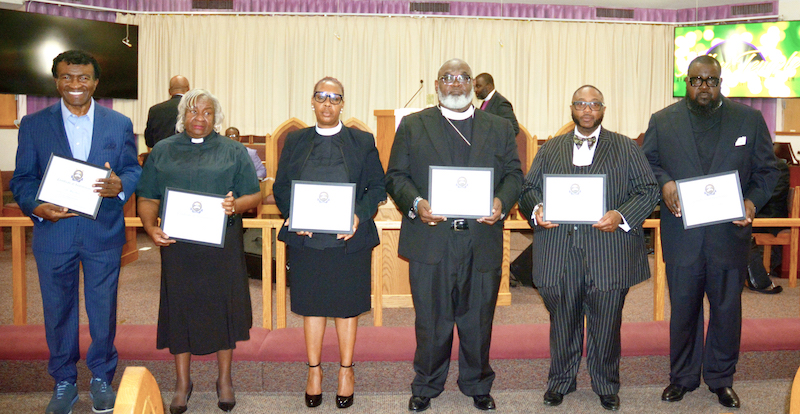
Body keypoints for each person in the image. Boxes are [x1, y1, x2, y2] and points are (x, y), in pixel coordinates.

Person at [385, 59, 523, 412]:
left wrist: (501, 201)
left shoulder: (499, 127)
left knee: (479, 317)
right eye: (449, 78)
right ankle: (426, 384)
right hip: (431, 237)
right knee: (431, 318)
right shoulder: (414, 125)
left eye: (463, 77)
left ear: (473, 83)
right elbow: (396, 176)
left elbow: (514, 175)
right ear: (437, 84)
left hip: (481, 235)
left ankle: (477, 382)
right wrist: (416, 203)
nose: (456, 84)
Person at [642, 55, 779, 409]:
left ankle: (721, 378)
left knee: (726, 310)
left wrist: (751, 203)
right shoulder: (663, 120)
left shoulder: (748, 119)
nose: (704, 87)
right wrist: (665, 183)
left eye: (711, 81)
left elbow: (768, 171)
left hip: (728, 235)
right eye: (696, 80)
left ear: (721, 82)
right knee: (684, 311)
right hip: (682, 235)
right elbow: (648, 164)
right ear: (685, 82)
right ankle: (683, 378)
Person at [10, 50, 142, 414]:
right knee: (57, 309)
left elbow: (132, 170)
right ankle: (64, 380)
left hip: (103, 232)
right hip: (55, 233)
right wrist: (36, 206)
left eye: (83, 77)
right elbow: (23, 179)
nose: (75, 84)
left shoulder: (118, 123)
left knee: (103, 309)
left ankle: (101, 376)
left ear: (95, 82)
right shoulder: (34, 124)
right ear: (56, 81)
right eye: (67, 77)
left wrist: (121, 185)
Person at [518, 85, 659, 411]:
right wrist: (537, 209)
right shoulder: (550, 149)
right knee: (563, 320)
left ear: (603, 109)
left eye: (593, 104)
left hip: (608, 252)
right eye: (581, 103)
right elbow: (529, 189)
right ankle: (560, 382)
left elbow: (649, 190)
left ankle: (606, 384)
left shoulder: (625, 147)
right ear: (572, 108)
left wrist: (621, 215)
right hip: (560, 252)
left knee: (606, 323)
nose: (587, 109)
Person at [137, 89, 261, 414]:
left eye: (207, 113)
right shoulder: (162, 151)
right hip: (178, 247)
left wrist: (237, 205)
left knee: (222, 308)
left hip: (221, 246)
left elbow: (254, 194)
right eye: (193, 112)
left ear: (216, 117)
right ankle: (182, 381)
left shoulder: (233, 151)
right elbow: (148, 197)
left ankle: (224, 379)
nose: (200, 118)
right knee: (180, 307)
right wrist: (150, 227)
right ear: (182, 116)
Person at [273, 77, 386, 409]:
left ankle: (346, 371)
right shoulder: (295, 141)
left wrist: (358, 216)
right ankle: (314, 372)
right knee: (312, 305)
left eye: (334, 98)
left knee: (346, 307)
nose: (327, 103)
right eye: (321, 97)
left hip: (348, 238)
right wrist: (293, 214)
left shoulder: (362, 141)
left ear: (342, 104)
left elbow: (378, 187)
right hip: (308, 238)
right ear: (312, 101)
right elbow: (281, 187)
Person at [144, 75, 190, 148]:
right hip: (187, 157)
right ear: (188, 89)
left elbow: (149, 142)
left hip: (161, 156)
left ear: (169, 91)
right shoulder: (193, 109)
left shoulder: (155, 110)